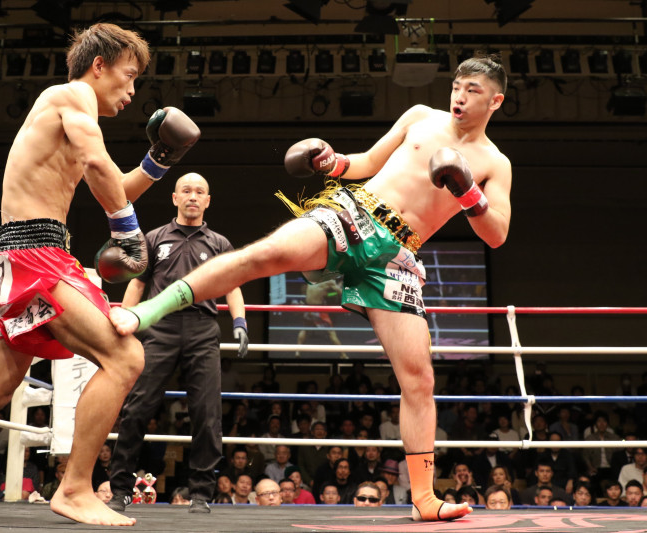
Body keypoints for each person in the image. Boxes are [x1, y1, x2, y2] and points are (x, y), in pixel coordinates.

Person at [110, 53, 512, 522]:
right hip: (357, 214)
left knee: (419, 379)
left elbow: (497, 234)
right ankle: (148, 310)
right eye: (457, 86)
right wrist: (332, 162)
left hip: (399, 254)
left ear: (495, 101)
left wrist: (467, 191)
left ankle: (424, 498)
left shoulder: (494, 162)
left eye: (473, 91)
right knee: (262, 255)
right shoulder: (421, 116)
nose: (460, 97)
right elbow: (367, 162)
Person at [0, 23, 200, 527]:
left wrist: (158, 161)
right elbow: (98, 166)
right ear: (99, 65)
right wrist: (128, 232)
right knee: (124, 356)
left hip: (19, 255)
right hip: (36, 255)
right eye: (129, 75)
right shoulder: (72, 94)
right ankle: (74, 489)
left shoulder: (68, 115)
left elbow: (113, 184)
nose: (132, 91)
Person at [109, 172, 247, 515]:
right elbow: (137, 284)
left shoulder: (219, 243)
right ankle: (121, 490)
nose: (193, 196)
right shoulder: (154, 238)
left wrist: (240, 322)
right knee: (137, 408)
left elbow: (233, 285)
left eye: (200, 191)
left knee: (207, 413)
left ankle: (200, 494)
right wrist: (123, 324)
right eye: (186, 190)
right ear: (175, 198)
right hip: (160, 328)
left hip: (203, 329)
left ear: (208, 201)